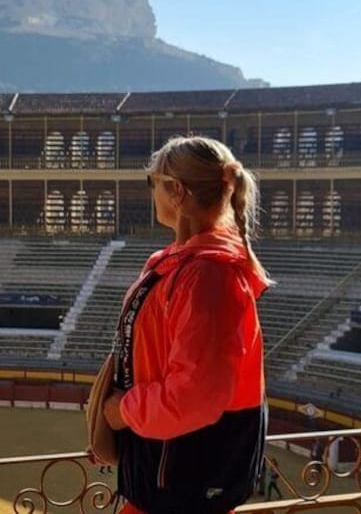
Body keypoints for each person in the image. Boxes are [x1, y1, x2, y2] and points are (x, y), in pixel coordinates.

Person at [102, 135, 271, 514]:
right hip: (166, 471)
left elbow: (194, 395)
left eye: (153, 182)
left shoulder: (207, 275)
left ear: (176, 191)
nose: (152, 193)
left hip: (181, 477)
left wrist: (123, 411)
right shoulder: (186, 264)